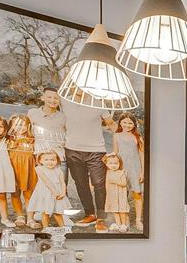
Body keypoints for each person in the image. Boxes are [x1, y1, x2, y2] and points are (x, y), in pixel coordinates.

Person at [61, 95, 113, 232]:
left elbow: (111, 124)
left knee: (99, 184)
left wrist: (129, 142)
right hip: (72, 149)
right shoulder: (64, 100)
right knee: (81, 183)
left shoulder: (98, 101)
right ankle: (90, 214)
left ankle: (101, 218)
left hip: (96, 150)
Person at [112, 114, 144, 232]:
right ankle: (125, 220)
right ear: (120, 123)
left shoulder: (138, 137)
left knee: (137, 194)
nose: (127, 125)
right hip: (121, 168)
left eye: (130, 123)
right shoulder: (116, 136)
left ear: (134, 124)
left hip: (135, 168)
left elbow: (141, 155)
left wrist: (143, 172)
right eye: (125, 122)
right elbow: (115, 152)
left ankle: (138, 219)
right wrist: (113, 168)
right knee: (122, 194)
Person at [6, 114, 39, 228]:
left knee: (29, 194)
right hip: (12, 169)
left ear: (28, 125)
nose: (20, 127)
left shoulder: (33, 139)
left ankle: (30, 218)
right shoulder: (8, 139)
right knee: (15, 194)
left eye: (23, 125)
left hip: (28, 169)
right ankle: (20, 215)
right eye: (17, 125)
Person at [27, 151, 71, 228]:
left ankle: (62, 227)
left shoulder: (58, 170)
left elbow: (62, 182)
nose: (49, 162)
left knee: (58, 211)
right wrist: (54, 193)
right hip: (45, 193)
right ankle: (46, 228)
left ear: (57, 161)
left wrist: (63, 192)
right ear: (40, 161)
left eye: (52, 160)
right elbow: (47, 181)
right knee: (45, 212)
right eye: (46, 160)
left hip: (58, 193)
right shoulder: (39, 169)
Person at [28, 87, 67, 162]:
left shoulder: (63, 117)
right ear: (42, 98)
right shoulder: (33, 113)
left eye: (56, 98)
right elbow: (26, 132)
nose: (52, 100)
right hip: (40, 159)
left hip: (59, 158)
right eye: (49, 97)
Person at [102, 153, 130, 232]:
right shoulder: (108, 171)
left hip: (121, 196)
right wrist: (111, 154)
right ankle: (118, 224)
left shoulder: (121, 172)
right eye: (110, 163)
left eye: (116, 163)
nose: (113, 165)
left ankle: (123, 224)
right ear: (107, 164)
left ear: (119, 164)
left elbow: (124, 183)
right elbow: (103, 159)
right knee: (115, 210)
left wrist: (114, 181)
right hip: (112, 195)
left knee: (122, 210)